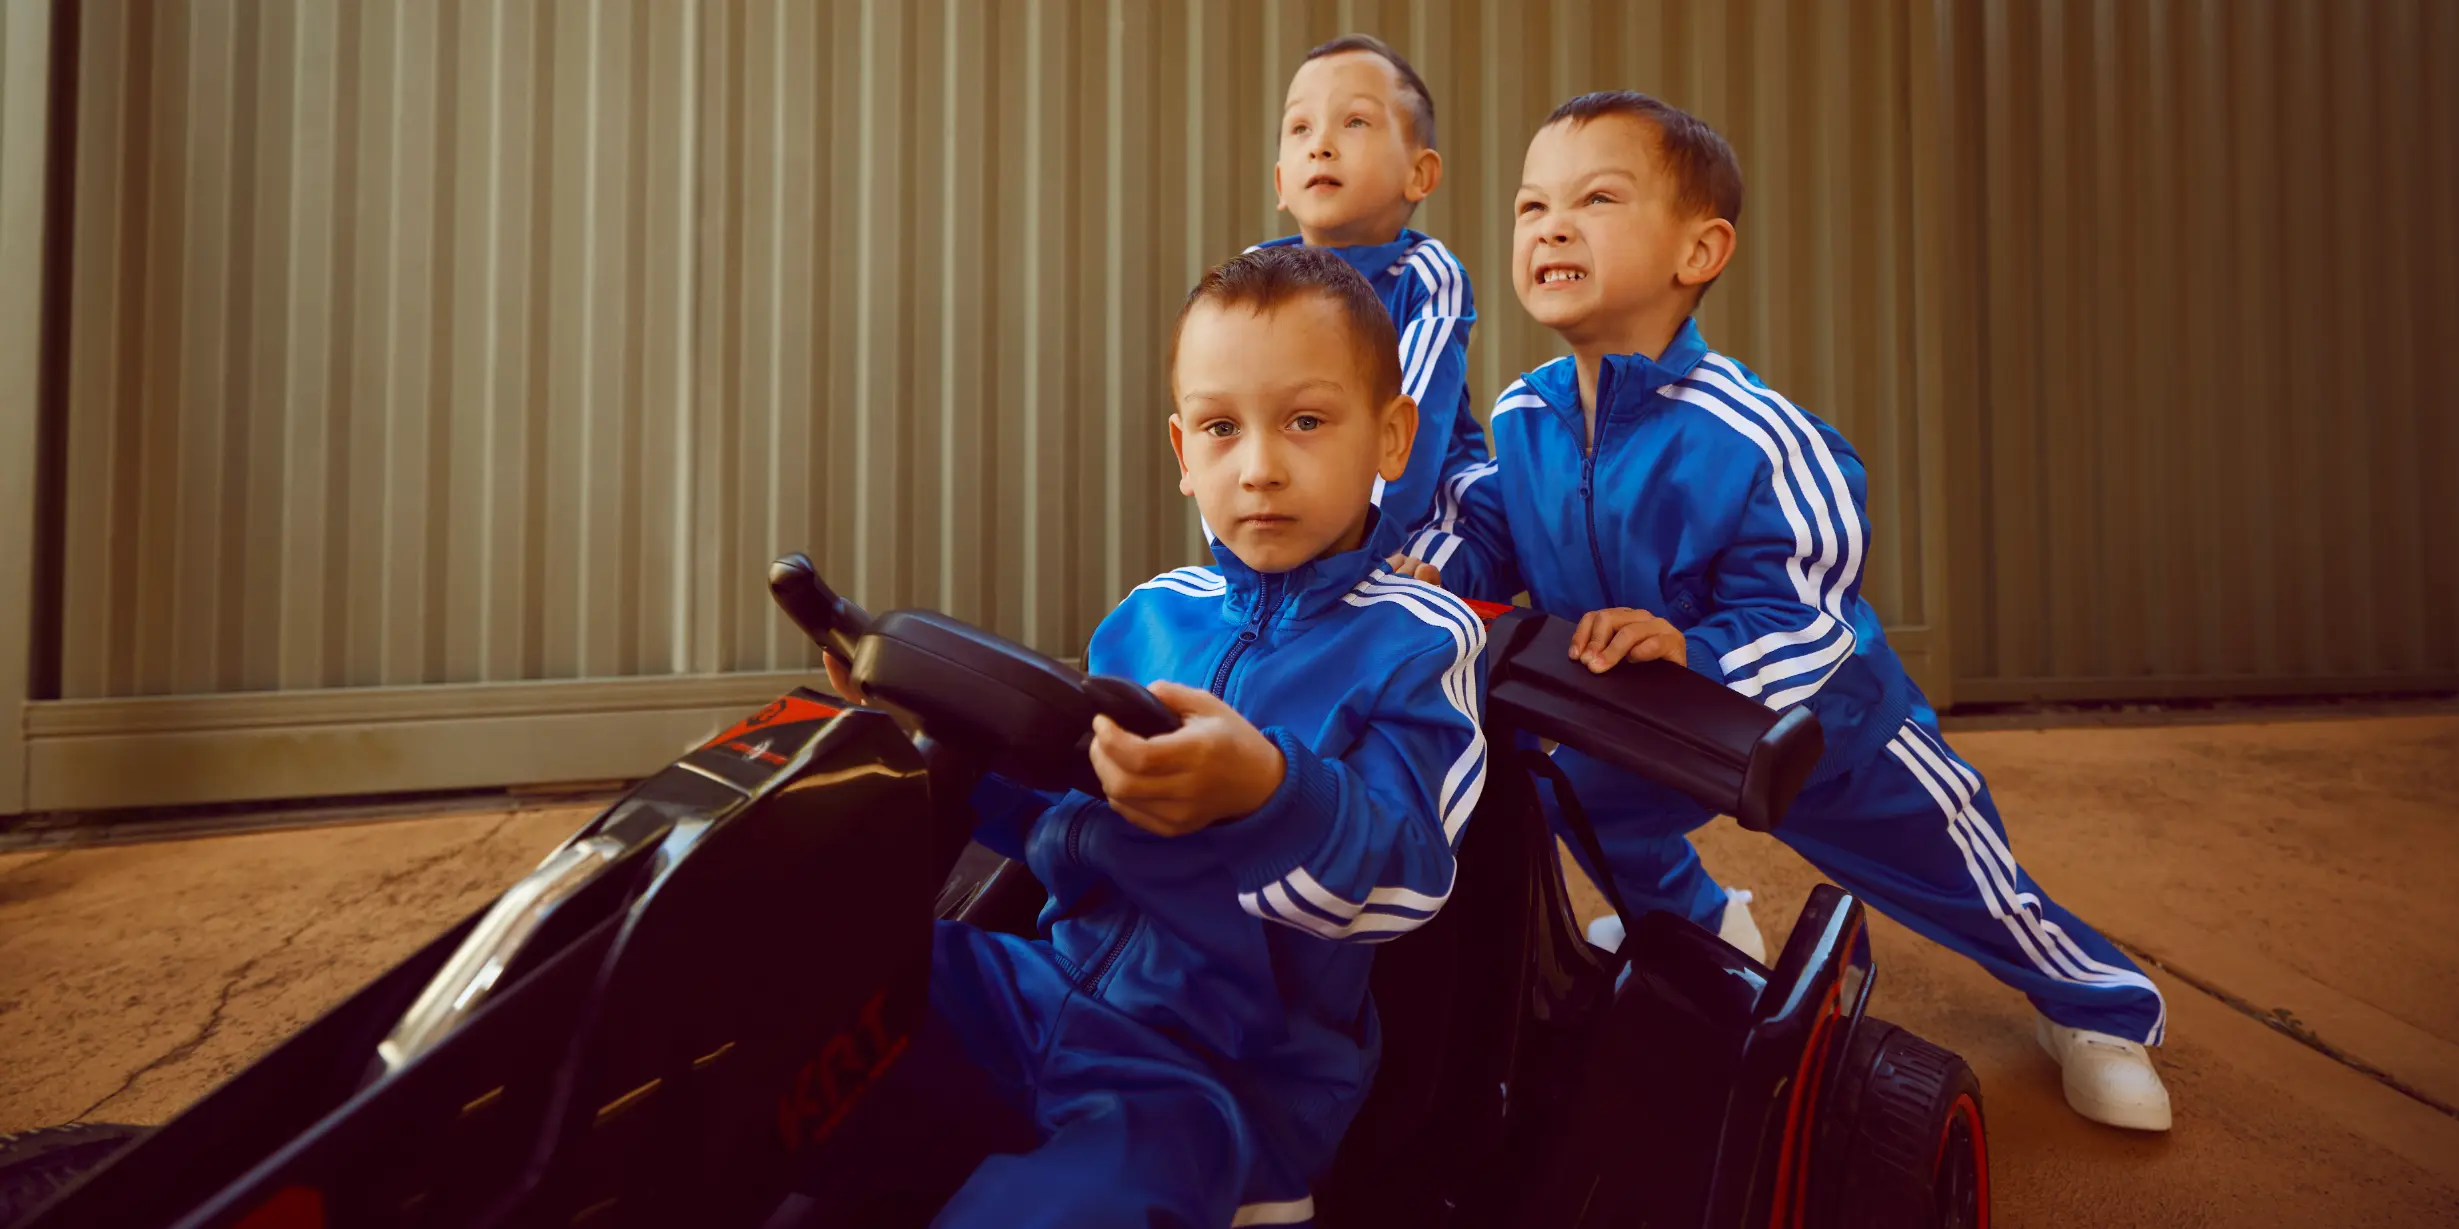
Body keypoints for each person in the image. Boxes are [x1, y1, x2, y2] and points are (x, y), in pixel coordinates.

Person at [1393, 91, 2173, 1132]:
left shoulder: (1760, 436)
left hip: (1822, 731)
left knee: (1965, 880)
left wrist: (1692, 649)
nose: (1550, 227)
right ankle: (1701, 929)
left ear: (1699, 250)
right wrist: (1439, 566)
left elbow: (1809, 616)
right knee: (1572, 799)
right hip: (1639, 718)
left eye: (1595, 200)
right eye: (1532, 206)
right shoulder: (1527, 413)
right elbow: (1495, 524)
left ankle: (2097, 1007)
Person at [803, 245, 1488, 1227]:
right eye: (1221, 427)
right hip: (1042, 985)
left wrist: (1265, 794)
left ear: (1390, 437)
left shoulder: (1418, 641)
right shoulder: (1152, 614)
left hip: (1212, 1080)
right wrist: (941, 732)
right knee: (804, 989)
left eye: (1304, 421)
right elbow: (1059, 811)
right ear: (1182, 453)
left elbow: (1405, 877)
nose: (1258, 466)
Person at [1241, 34, 1486, 554]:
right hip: (1296, 526)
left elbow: (1413, 434)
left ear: (1419, 174)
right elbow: (1226, 431)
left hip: (1421, 526)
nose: (1321, 144)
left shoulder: (1427, 277)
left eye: (1354, 121)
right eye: (1300, 127)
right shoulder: (1253, 282)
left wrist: (1351, 549)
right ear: (1281, 183)